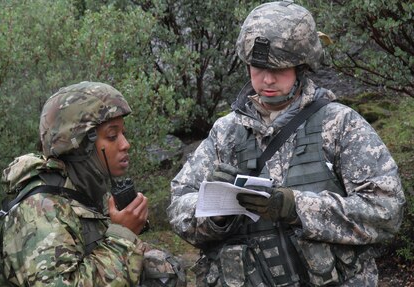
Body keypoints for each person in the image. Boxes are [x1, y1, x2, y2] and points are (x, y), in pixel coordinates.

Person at [167, 1, 405, 286]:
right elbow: (179, 207)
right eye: (257, 67)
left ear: (302, 66)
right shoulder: (226, 133)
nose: (267, 79)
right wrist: (214, 214)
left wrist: (296, 208)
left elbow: (386, 211)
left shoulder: (339, 124)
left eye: (278, 69)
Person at [0, 81, 183, 286]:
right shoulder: (41, 209)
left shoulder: (80, 190)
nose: (125, 144)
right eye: (112, 136)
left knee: (160, 267)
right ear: (80, 145)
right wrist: (124, 235)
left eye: (123, 133)